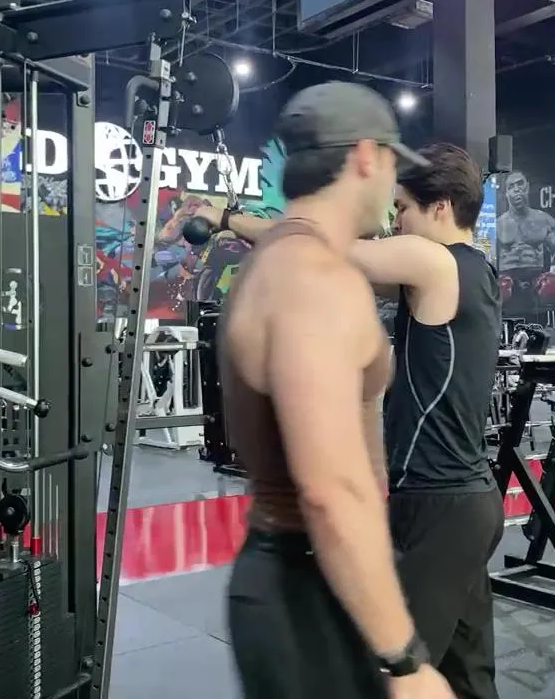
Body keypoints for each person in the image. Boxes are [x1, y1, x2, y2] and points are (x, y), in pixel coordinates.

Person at [200, 142, 505, 698]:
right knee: (466, 679)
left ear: (440, 208)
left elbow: (322, 247)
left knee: (389, 675)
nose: (396, 221)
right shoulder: (468, 269)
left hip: (441, 505)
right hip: (463, 501)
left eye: (403, 208)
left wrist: (225, 219)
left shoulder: (435, 261)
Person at [497, 170, 555, 310]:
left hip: (537, 280)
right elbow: (486, 257)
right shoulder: (498, 224)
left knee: (551, 293)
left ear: (527, 187)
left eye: (520, 184)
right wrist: (494, 279)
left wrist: (554, 273)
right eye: (511, 186)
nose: (516, 189)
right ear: (506, 194)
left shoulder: (544, 220)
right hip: (507, 281)